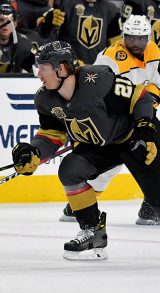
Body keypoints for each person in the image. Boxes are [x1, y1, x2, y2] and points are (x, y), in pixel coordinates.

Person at [12, 40, 160, 260]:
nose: (39, 75)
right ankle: (93, 233)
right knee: (70, 170)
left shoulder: (98, 80)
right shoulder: (44, 98)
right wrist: (34, 152)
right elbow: (52, 135)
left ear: (61, 68)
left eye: (42, 68)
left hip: (134, 140)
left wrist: (146, 129)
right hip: (100, 147)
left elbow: (141, 97)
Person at [59, 14, 160, 224]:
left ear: (148, 37)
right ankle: (78, 204)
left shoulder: (154, 52)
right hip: (115, 119)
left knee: (147, 157)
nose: (137, 43)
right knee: (113, 166)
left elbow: (154, 84)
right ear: (123, 36)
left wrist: (146, 111)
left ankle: (151, 205)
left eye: (141, 38)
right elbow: (97, 94)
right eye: (131, 38)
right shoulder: (110, 58)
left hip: (140, 115)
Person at [38, 0, 121, 65]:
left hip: (97, 69)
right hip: (68, 66)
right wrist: (48, 22)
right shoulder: (65, 3)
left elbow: (114, 45)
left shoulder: (111, 10)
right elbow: (43, 34)